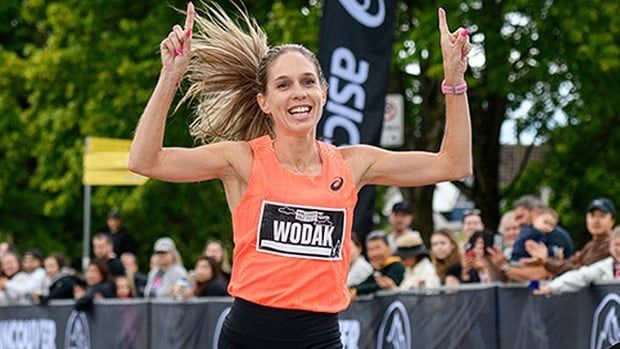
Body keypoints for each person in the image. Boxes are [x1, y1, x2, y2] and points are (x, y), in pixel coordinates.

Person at [128, 3, 471, 347]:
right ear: (264, 101)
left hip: (319, 337)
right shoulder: (242, 161)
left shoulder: (352, 164)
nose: (298, 93)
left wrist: (454, 82)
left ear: (324, 92)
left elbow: (453, 164)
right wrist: (170, 76)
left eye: (308, 82)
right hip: (249, 336)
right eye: (283, 85)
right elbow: (146, 161)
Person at [534, 226, 620, 296]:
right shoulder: (606, 265)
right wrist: (552, 287)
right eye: (617, 244)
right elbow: (581, 275)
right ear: (610, 246)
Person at [350, 231, 405, 296]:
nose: (374, 254)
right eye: (370, 249)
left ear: (389, 247)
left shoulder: (397, 266)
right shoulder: (379, 268)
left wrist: (356, 291)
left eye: (378, 248)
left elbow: (381, 285)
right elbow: (367, 283)